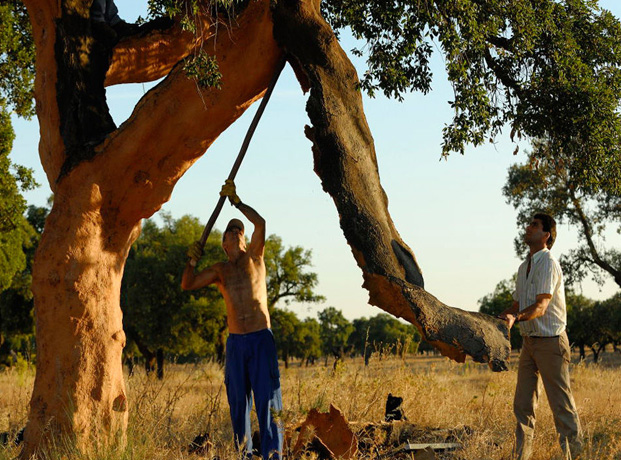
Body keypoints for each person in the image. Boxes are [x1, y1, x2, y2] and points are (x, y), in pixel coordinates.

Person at [182, 179, 283, 459]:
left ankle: (274, 456)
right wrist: (191, 260)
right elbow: (187, 284)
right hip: (237, 343)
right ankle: (245, 455)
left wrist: (237, 202)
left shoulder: (255, 257)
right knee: (238, 403)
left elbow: (260, 222)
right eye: (231, 231)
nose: (237, 232)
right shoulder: (219, 270)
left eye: (240, 230)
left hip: (262, 338)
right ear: (224, 243)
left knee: (267, 401)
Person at [499, 213, 583, 460]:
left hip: (551, 343)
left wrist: (515, 319)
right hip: (529, 343)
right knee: (523, 406)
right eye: (529, 224)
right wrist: (493, 319)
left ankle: (575, 455)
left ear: (546, 235)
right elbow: (516, 305)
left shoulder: (548, 263)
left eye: (534, 225)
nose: (528, 228)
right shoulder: (523, 267)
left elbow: (541, 307)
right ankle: (521, 457)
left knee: (561, 407)